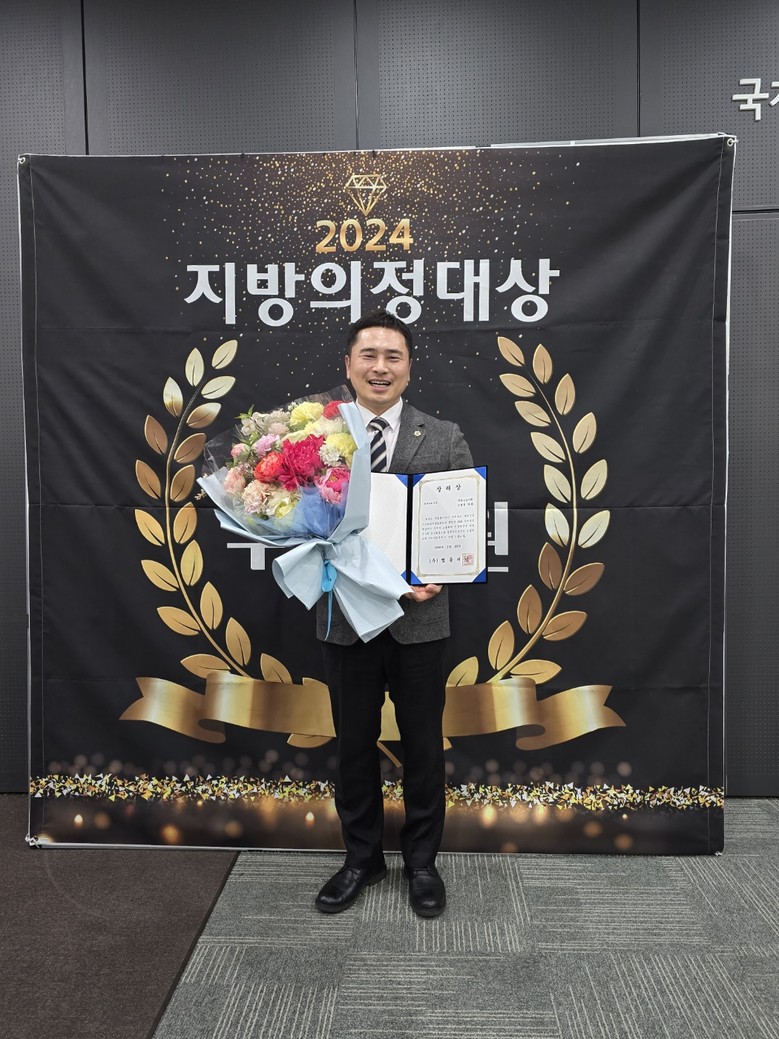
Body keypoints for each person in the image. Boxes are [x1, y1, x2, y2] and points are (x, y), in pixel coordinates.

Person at [315, 310, 473, 918]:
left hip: (419, 619)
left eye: (393, 356)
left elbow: (462, 521)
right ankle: (361, 858)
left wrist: (444, 570)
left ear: (409, 367)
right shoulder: (317, 434)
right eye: (369, 355)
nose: (380, 367)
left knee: (423, 745)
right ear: (348, 364)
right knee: (353, 745)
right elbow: (298, 522)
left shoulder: (444, 436)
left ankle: (422, 862)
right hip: (346, 613)